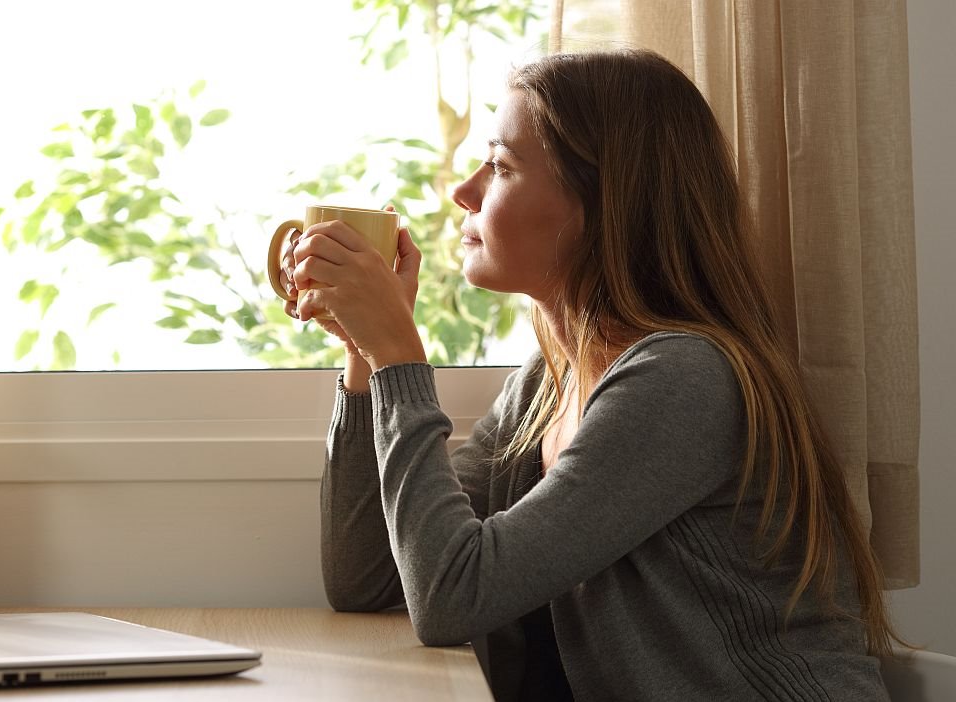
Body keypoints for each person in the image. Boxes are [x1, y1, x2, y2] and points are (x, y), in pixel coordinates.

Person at [277, 49, 896, 701]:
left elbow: (450, 598)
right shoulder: (549, 381)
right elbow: (365, 579)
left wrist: (400, 357)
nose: (463, 193)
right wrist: (365, 358)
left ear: (602, 205)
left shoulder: (684, 379)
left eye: (501, 166)